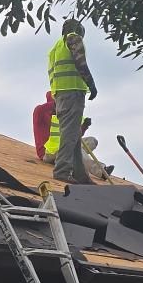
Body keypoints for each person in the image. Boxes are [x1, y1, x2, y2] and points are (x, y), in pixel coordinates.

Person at [48, 17, 98, 183]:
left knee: (74, 135)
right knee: (69, 135)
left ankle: (80, 175)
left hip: (60, 95)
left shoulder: (56, 47)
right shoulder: (73, 39)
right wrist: (91, 84)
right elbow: (80, 63)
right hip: (72, 93)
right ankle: (62, 171)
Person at [32, 91, 56, 163]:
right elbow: (41, 109)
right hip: (45, 153)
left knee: (87, 141)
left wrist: (84, 125)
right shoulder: (40, 111)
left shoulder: (60, 117)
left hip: (58, 150)